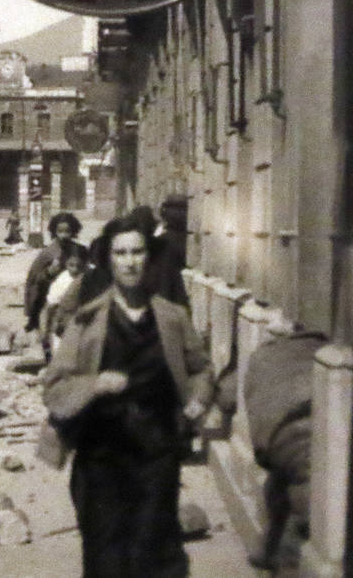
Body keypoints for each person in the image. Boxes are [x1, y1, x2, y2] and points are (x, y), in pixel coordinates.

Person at [42, 222, 212, 577]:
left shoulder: (172, 317)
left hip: (156, 457)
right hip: (101, 458)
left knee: (155, 557)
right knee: (107, 559)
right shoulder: (87, 320)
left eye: (137, 252)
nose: (130, 262)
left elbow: (201, 368)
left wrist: (198, 398)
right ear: (109, 260)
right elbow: (54, 386)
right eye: (121, 253)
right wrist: (95, 384)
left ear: (148, 258)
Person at [24, 211, 81, 332]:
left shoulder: (79, 250)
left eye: (67, 231)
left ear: (74, 231)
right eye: (60, 231)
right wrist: (49, 273)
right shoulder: (48, 253)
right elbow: (33, 280)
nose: (64, 235)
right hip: (52, 301)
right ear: (54, 232)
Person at [41, 240, 89, 361]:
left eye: (79, 266)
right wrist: (45, 331)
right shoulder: (62, 281)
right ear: (66, 263)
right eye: (71, 265)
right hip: (63, 327)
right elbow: (49, 307)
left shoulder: (90, 277)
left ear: (85, 264)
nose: (75, 269)